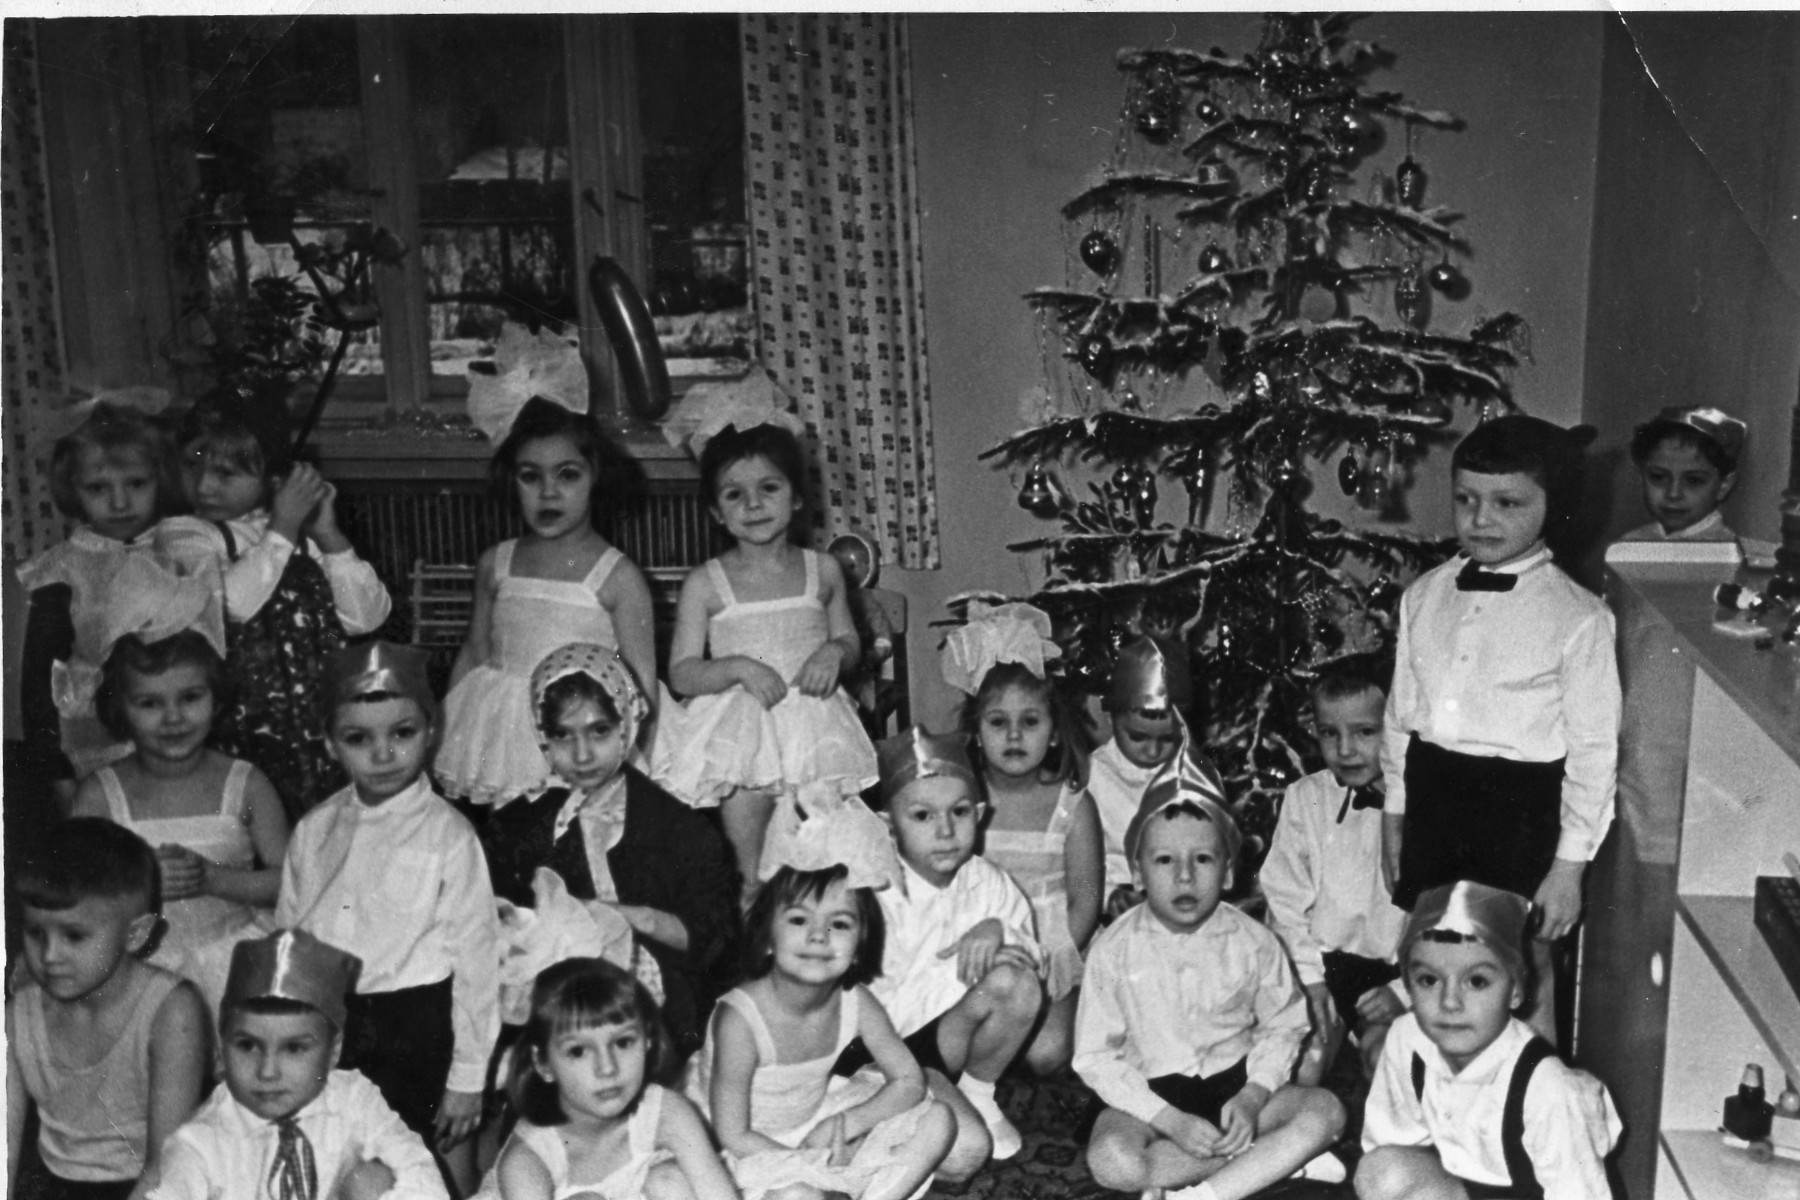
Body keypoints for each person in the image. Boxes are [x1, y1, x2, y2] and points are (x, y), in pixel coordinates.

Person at [1381, 415, 1620, 1043]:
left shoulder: (1579, 617)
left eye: (1507, 503)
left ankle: (1532, 1092)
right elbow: (1401, 715)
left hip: (1520, 810)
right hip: (1435, 797)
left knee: (1523, 965)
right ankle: (1437, 1088)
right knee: (1435, 951)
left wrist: (1568, 868)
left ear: (1553, 507)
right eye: (1466, 499)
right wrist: (1394, 815)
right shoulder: (1424, 595)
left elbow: (1594, 752)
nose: (1481, 519)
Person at [1076, 747, 1347, 1200]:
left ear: (1227, 873)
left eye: (1202, 859)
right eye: (1165, 860)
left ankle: (1202, 1195)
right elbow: (1094, 1057)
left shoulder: (1255, 941)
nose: (1184, 876)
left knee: (1327, 1111)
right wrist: (1169, 1120)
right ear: (1138, 873)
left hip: (1234, 1087)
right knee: (1112, 1161)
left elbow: (1284, 1025)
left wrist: (1254, 1096)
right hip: (1148, 1095)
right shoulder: (1113, 950)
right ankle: (1271, 1160)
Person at [277, 641, 500, 1187]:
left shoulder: (450, 835)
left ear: (432, 729)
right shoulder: (314, 829)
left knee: (441, 1171)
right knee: (348, 1165)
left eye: (402, 733)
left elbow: (477, 963)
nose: (383, 754)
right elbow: (287, 939)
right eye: (358, 738)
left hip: (421, 1029)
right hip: (334, 1025)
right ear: (330, 742)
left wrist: (467, 1078)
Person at [689, 790, 954, 1200]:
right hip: (739, 1149)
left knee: (938, 1120)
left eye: (840, 923)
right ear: (767, 937)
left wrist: (844, 1125)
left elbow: (908, 1080)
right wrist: (813, 1168)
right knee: (801, 1196)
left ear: (860, 945)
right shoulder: (739, 1020)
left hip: (812, 1123)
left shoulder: (856, 1001)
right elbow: (733, 1134)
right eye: (799, 919)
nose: (818, 935)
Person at [480, 643, 739, 1063]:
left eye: (599, 731)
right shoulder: (518, 826)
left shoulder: (679, 827)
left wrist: (626, 916)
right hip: (554, 1013)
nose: (582, 754)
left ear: (628, 723)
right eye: (563, 735)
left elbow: (711, 940)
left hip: (654, 1014)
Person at [659, 415, 879, 898]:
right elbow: (683, 672)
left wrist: (834, 651)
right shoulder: (705, 583)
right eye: (734, 494)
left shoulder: (823, 570)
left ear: (797, 496)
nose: (753, 504)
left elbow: (849, 640)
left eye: (769, 487)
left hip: (814, 728)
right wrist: (737, 667)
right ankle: (751, 929)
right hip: (743, 736)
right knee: (752, 867)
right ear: (716, 511)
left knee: (822, 855)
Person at [436, 396, 659, 808]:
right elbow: (475, 652)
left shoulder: (619, 577)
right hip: (501, 732)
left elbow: (641, 684)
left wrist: (626, 768)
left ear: (596, 476)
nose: (548, 492)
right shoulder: (496, 563)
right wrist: (447, 728)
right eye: (530, 477)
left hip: (577, 733)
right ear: (511, 480)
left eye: (567, 475)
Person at [72, 596, 287, 1017]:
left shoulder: (247, 783)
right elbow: (77, 893)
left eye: (190, 697)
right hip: (136, 971)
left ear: (217, 698)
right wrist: (140, 883)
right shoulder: (98, 795)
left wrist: (213, 880)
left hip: (235, 961)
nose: (173, 718)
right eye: (150, 703)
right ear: (120, 708)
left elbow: (289, 880)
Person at [179, 398, 391, 822]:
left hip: (318, 719)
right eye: (192, 467)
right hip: (245, 723)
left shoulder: (300, 534)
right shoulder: (188, 534)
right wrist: (283, 527)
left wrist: (328, 535)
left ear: (275, 479)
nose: (204, 486)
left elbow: (366, 617)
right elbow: (233, 605)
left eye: (225, 474)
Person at [846, 727, 1043, 1174]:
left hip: (944, 1039)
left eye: (959, 812)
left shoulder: (986, 881)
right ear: (888, 824)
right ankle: (883, 1124)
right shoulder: (872, 890)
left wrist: (999, 931)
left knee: (1018, 982)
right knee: (964, 1153)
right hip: (882, 1054)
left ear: (980, 814)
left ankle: (978, 1091)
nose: (946, 830)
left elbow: (1033, 956)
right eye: (922, 815)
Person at [1357, 881, 1622, 1200]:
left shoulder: (1549, 1088)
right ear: (1408, 988)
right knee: (1379, 1170)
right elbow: (1391, 1143)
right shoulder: (1407, 1038)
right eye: (1429, 980)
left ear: (1515, 990)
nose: (1450, 1002)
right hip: (1462, 1184)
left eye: (1477, 981)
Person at [144, 928, 448, 1200]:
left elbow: (420, 1171)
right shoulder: (201, 1141)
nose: (267, 1071)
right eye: (247, 1046)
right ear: (221, 1047)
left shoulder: (352, 1097)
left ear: (333, 1052)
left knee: (372, 1181)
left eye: (294, 1048)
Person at [17, 399, 214, 798]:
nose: (120, 503)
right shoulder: (62, 569)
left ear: (160, 478)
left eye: (137, 484)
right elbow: (38, 683)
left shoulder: (184, 549)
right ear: (72, 489)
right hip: (95, 747)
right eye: (98, 488)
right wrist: (57, 774)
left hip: (184, 733)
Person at [6, 819, 209, 1200]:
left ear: (136, 934)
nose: (50, 956)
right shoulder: (18, 1015)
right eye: (35, 933)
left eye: (74, 936)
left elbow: (167, 1166)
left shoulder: (171, 1011)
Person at [943, 600, 1101, 1073]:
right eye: (998, 722)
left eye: (1030, 722)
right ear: (976, 731)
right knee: (951, 1037)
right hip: (977, 942)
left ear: (1053, 733)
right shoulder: (963, 798)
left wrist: (1046, 957)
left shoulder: (1073, 806)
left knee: (1046, 1054)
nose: (1014, 736)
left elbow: (1085, 898)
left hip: (1051, 947)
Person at [475, 957, 738, 1200]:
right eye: (578, 1051)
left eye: (623, 1042)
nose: (607, 1068)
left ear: (647, 1041)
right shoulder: (527, 1161)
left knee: (669, 1180)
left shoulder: (665, 1110)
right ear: (543, 1064)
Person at [1261, 661, 1409, 1086]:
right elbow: (1284, 901)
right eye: (1330, 733)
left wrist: (1403, 992)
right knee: (1300, 1066)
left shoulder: (1424, 806)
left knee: (1387, 1063)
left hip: (1393, 972)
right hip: (1321, 966)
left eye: (1365, 732)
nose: (1345, 750)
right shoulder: (1306, 798)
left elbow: (1444, 915)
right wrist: (1310, 982)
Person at [1087, 635, 1192, 908]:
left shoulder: (1191, 773)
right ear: (1112, 718)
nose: (1153, 751)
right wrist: (1108, 896)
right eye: (1138, 737)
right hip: (1112, 903)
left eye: (1167, 739)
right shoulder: (1090, 776)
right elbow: (1070, 866)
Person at [1619, 404, 1746, 544]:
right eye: (1658, 477)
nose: (1673, 494)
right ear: (1642, 477)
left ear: (1724, 486)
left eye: (1693, 480)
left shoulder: (1728, 549)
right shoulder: (1630, 543)